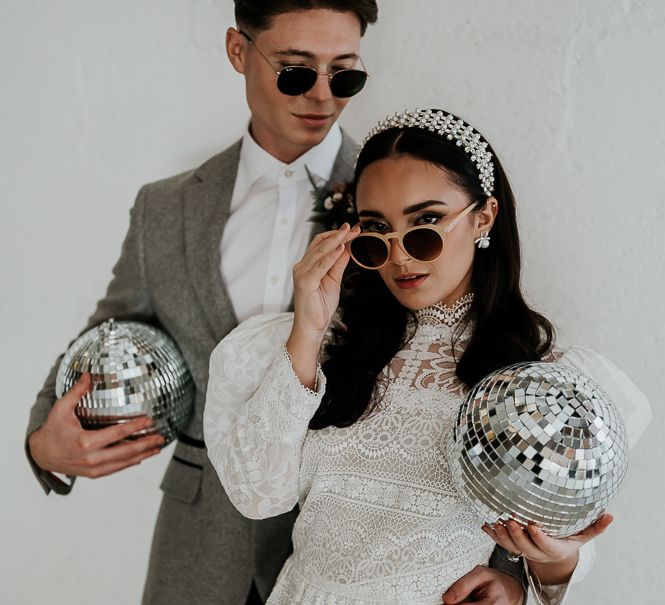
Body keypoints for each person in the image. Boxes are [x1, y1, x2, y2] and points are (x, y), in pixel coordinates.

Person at [23, 4, 525, 604]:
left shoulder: (406, 196)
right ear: (239, 51)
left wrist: (512, 571)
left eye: (344, 75)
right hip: (199, 548)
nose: (321, 96)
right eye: (294, 71)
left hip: (360, 562)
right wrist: (42, 443)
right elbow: (108, 332)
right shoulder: (166, 208)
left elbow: (481, 374)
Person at [203, 108, 651, 604]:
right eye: (377, 230)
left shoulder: (542, 378)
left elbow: (555, 550)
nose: (400, 256)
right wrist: (308, 329)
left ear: (484, 216)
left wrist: (537, 567)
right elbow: (258, 494)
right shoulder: (323, 346)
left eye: (426, 224)